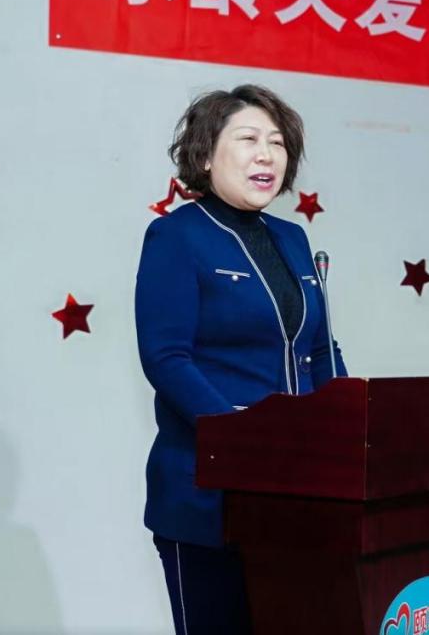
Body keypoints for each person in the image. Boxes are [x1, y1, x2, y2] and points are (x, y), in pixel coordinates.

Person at [134, 84, 347, 635]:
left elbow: (320, 349)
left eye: (277, 143)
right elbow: (166, 357)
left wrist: (352, 427)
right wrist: (240, 439)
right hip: (208, 496)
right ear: (206, 155)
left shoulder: (293, 239)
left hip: (299, 495)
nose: (267, 155)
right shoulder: (176, 236)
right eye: (249, 140)